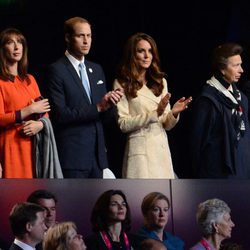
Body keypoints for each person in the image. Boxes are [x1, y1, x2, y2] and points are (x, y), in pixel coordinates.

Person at [45, 17, 123, 178]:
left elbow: (104, 118)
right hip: (73, 158)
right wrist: (98, 107)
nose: (86, 41)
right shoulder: (57, 70)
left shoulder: (96, 69)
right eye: (81, 36)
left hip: (98, 158)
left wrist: (111, 104)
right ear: (68, 37)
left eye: (89, 36)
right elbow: (60, 115)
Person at [113, 32, 192, 178]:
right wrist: (154, 113)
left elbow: (166, 124)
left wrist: (173, 113)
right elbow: (123, 123)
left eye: (150, 51)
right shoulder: (122, 83)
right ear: (132, 54)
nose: (146, 56)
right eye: (141, 51)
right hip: (140, 154)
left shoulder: (160, 81)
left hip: (161, 151)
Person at [190, 43, 250, 178]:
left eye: (240, 64)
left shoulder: (242, 99)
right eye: (236, 66)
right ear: (222, 69)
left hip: (242, 173)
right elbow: (197, 146)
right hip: (217, 176)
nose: (241, 70)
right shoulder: (208, 101)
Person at [0, 28, 51, 178]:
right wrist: (28, 110)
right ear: (2, 49)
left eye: (20, 42)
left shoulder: (30, 79)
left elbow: (44, 110)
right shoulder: (1, 82)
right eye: (10, 42)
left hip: (34, 145)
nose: (17, 47)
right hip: (11, 145)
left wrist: (41, 124)